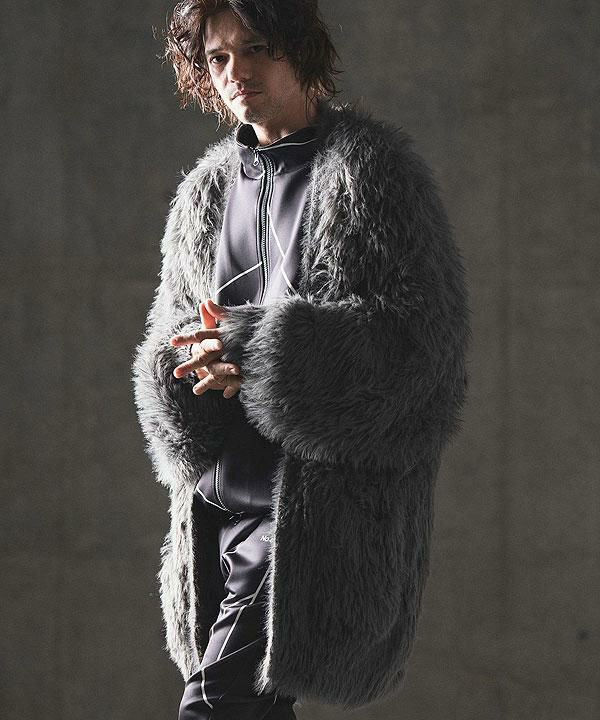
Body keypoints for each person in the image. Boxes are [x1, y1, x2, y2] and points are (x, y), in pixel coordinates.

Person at [131, 0, 471, 718]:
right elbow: (170, 348)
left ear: (299, 46)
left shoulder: (372, 174)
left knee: (215, 706)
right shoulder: (204, 194)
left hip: (310, 524)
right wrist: (189, 370)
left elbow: (420, 352)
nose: (236, 72)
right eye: (218, 57)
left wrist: (259, 351)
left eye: (255, 47)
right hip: (216, 509)